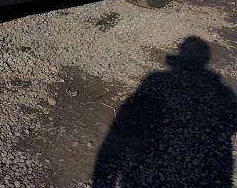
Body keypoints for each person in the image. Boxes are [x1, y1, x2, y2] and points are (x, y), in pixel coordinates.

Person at [93, 36, 237, 187]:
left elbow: (127, 122)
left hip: (148, 170)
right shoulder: (222, 92)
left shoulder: (156, 80)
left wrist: (104, 180)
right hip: (206, 174)